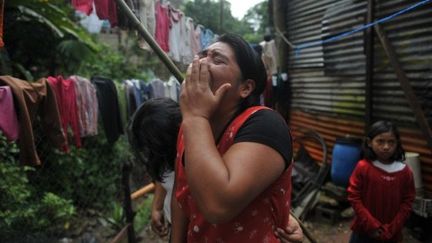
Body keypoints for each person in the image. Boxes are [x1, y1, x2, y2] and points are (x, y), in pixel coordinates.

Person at [172, 33, 294, 242]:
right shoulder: (190, 128)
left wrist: (195, 116)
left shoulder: (265, 125)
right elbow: (181, 193)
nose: (202, 62)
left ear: (245, 88)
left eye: (217, 60)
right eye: (202, 55)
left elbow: (218, 205)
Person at [128, 97, 303, 242]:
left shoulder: (214, 151)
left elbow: (235, 194)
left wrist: (284, 216)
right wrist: (157, 207)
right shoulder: (167, 159)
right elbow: (169, 185)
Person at [347, 120, 416, 243]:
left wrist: (393, 227)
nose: (386, 147)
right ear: (369, 142)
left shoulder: (405, 171)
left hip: (392, 235)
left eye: (391, 142)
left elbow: (408, 201)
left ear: (397, 144)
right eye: (380, 141)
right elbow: (354, 196)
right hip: (364, 232)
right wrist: (372, 226)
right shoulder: (363, 167)